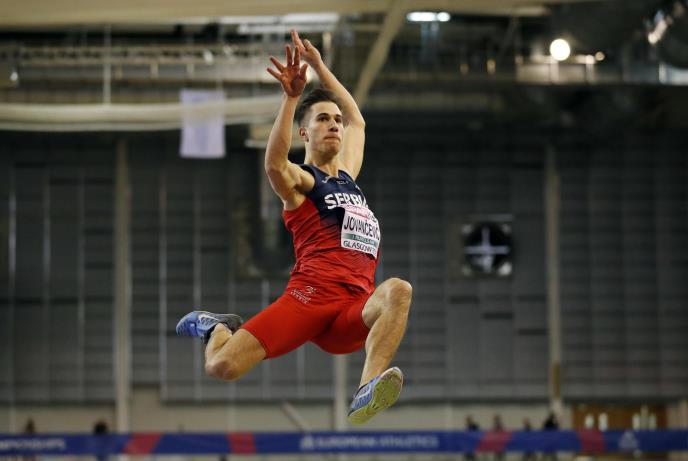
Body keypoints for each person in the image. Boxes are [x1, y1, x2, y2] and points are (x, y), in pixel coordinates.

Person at [176, 30, 412, 425]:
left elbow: (357, 119)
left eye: (335, 120)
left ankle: (367, 389)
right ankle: (216, 327)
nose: (334, 124)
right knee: (221, 366)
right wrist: (290, 99)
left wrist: (320, 66)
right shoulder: (304, 182)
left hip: (352, 310)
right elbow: (274, 165)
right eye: (323, 119)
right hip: (309, 300)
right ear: (305, 132)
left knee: (399, 290)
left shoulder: (348, 179)